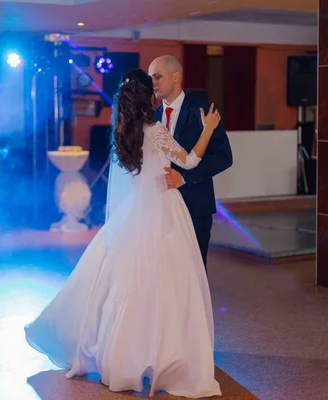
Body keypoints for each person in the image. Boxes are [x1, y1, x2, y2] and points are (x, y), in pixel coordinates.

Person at [24, 68, 222, 398]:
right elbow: (188, 161)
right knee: (167, 286)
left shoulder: (122, 134)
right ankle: (161, 355)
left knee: (126, 285)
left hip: (132, 215)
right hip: (163, 212)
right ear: (148, 98)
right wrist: (207, 130)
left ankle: (122, 355)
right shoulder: (156, 130)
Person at [148, 55, 233, 270]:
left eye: (157, 76)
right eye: (150, 78)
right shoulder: (152, 117)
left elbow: (224, 157)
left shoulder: (203, 111)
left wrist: (185, 178)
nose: (153, 83)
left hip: (195, 205)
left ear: (176, 76)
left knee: (193, 269)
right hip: (160, 208)